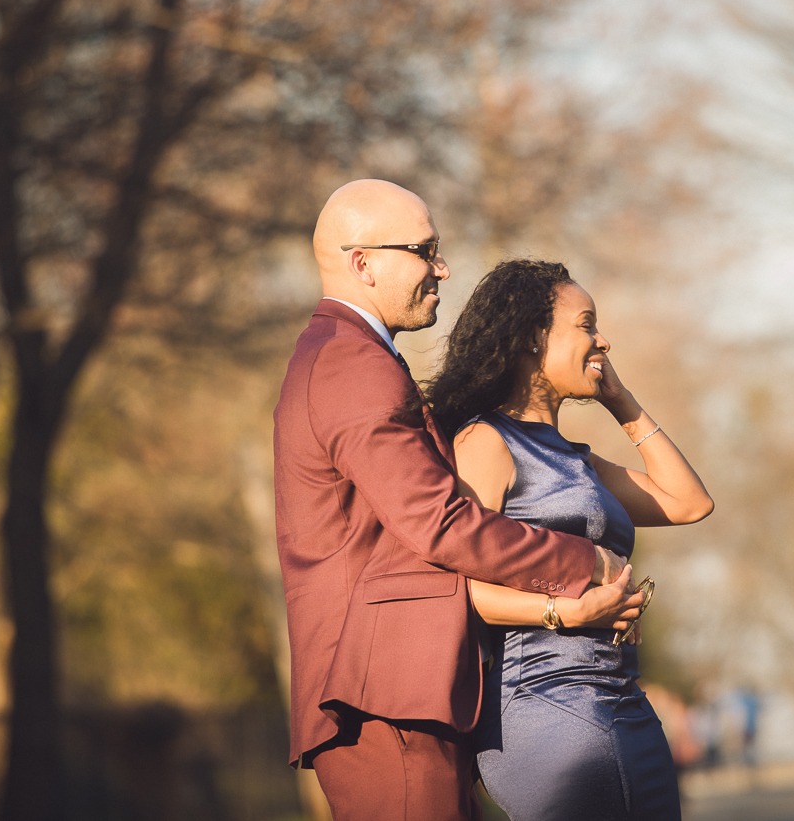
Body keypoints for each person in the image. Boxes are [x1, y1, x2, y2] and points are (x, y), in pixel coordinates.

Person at [273, 181, 639, 820]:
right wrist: (585, 563)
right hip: (382, 697)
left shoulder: (350, 358)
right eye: (424, 251)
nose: (441, 268)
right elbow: (440, 522)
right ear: (362, 262)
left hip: (400, 694)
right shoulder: (348, 363)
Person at [425, 259, 715, 821]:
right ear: (535, 338)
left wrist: (622, 401)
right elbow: (461, 591)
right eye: (586, 325)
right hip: (545, 708)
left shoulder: (575, 460)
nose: (602, 339)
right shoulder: (486, 442)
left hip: (627, 705)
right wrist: (566, 613)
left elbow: (689, 503)